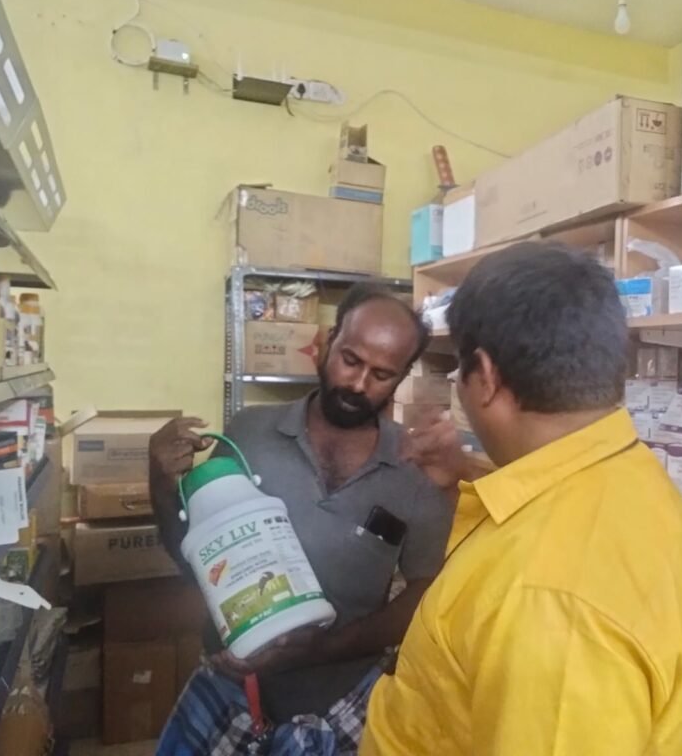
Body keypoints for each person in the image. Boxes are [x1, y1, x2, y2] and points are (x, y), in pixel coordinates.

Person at [361, 242, 682, 756]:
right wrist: (459, 479)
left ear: (485, 377)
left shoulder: (551, 606)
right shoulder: (631, 472)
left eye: (458, 372)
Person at [149, 285, 455, 756]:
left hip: (341, 701)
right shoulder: (249, 433)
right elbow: (194, 559)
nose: (358, 384)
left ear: (402, 376)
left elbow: (424, 595)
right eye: (350, 360)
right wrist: (161, 485)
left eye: (381, 374)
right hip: (232, 690)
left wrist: (322, 649)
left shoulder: (416, 468)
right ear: (328, 341)